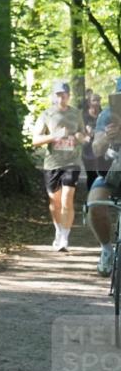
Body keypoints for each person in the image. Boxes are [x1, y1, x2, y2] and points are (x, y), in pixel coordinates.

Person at [32, 81, 86, 251]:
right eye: (58, 94)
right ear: (53, 96)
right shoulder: (46, 115)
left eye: (64, 94)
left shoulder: (77, 114)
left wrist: (79, 137)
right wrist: (53, 136)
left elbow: (83, 136)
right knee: (55, 202)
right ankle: (58, 230)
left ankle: (65, 237)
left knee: (67, 199)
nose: (61, 97)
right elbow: (35, 141)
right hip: (52, 163)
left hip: (72, 162)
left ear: (69, 95)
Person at [87, 80, 121, 275]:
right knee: (94, 205)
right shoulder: (107, 115)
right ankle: (107, 250)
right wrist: (109, 136)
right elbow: (96, 149)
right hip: (111, 174)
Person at [83, 92, 107, 192]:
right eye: (94, 100)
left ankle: (101, 196)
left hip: (102, 147)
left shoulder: (104, 114)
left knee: (102, 173)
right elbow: (78, 131)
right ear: (89, 102)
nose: (96, 103)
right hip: (88, 149)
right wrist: (86, 135)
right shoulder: (84, 116)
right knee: (91, 174)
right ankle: (91, 196)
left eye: (98, 100)